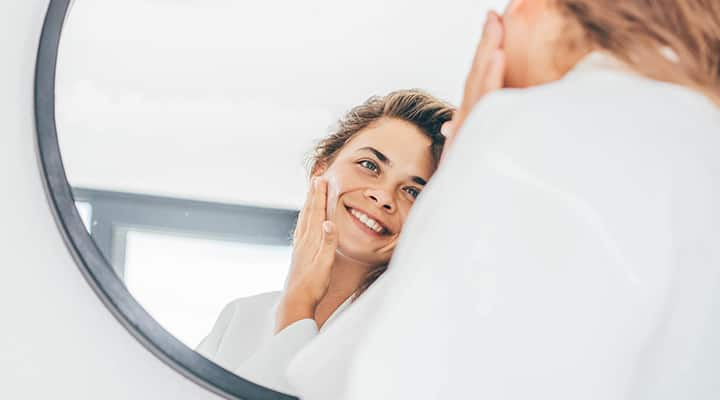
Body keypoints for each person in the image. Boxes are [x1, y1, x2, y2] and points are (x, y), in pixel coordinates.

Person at [285, 1, 720, 399]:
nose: (501, 21)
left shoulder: (537, 135)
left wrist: (472, 154)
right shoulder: (700, 144)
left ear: (545, 8)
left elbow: (377, 383)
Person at [196, 89, 454, 394]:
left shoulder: (414, 345)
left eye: (413, 191)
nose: (383, 196)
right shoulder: (240, 316)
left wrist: (298, 306)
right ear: (321, 169)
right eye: (370, 165)